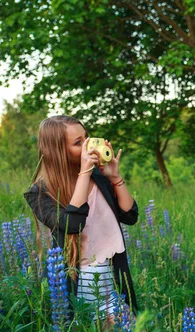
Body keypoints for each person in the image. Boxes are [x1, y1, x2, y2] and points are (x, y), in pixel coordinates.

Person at [24, 116, 138, 319]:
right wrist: (84, 173)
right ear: (59, 152)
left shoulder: (99, 178)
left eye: (86, 137)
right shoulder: (40, 193)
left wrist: (115, 178)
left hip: (112, 279)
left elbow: (130, 216)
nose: (88, 146)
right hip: (76, 287)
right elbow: (72, 224)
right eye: (78, 143)